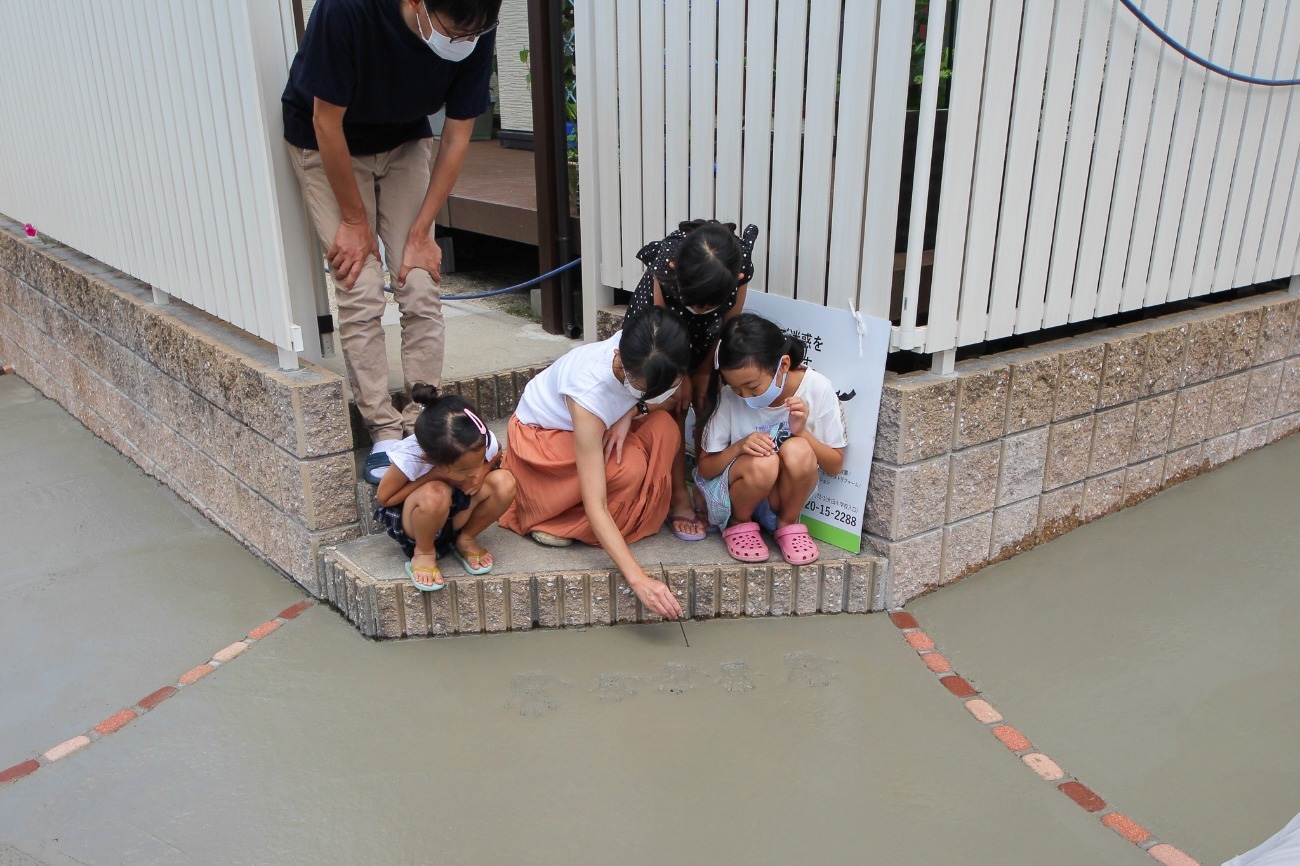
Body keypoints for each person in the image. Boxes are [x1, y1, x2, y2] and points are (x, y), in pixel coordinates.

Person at [282, 0, 502, 484]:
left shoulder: (474, 22)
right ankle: (383, 429)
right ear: (416, 3)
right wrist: (355, 221)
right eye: (454, 33)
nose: (464, 43)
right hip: (326, 142)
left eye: (475, 35)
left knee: (419, 281)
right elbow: (325, 122)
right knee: (359, 284)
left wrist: (423, 232)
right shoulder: (348, 11)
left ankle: (420, 421)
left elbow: (458, 136)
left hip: (404, 140)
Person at [499, 307, 691, 619]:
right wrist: (639, 579)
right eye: (639, 387)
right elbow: (596, 505)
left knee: (667, 431)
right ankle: (552, 520)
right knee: (627, 469)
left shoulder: (652, 348)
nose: (644, 392)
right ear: (619, 355)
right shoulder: (589, 391)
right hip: (542, 443)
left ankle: (583, 520)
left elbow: (662, 399)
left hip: (592, 429)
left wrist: (631, 411)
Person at [619, 219, 760, 540]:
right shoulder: (666, 266)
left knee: (707, 399)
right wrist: (680, 375)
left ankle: (704, 485)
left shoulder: (737, 267)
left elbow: (728, 323)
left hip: (710, 336)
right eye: (696, 302)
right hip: (664, 332)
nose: (700, 308)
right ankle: (677, 493)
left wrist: (705, 370)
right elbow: (662, 321)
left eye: (707, 304)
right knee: (673, 405)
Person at [694, 313, 847, 566]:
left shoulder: (816, 388)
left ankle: (787, 524)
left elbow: (835, 465)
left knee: (799, 449)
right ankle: (739, 522)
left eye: (753, 387)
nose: (743, 395)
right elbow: (706, 468)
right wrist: (740, 447)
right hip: (740, 496)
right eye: (735, 387)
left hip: (783, 498)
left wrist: (802, 432)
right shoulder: (729, 397)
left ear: (783, 365)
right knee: (763, 462)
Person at [374, 385, 516, 591]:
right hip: (419, 522)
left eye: (478, 461)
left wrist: (483, 472)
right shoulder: (410, 456)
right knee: (436, 491)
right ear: (430, 459)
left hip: (458, 510)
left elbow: (497, 451)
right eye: (466, 468)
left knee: (505, 481)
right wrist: (434, 475)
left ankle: (465, 539)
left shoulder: (477, 438)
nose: (474, 471)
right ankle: (424, 553)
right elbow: (385, 499)